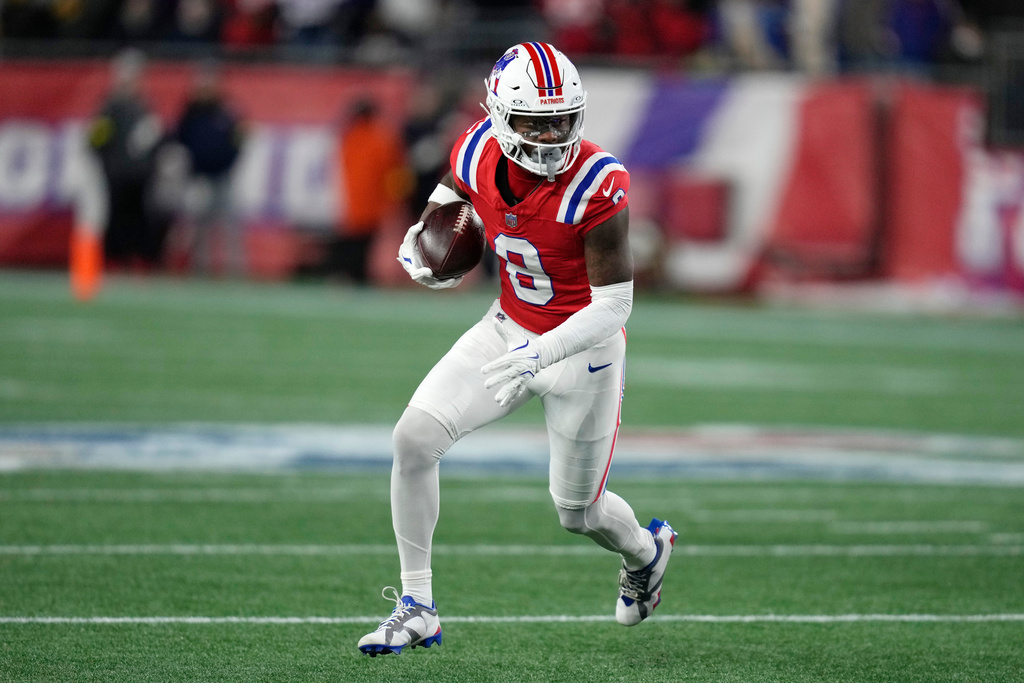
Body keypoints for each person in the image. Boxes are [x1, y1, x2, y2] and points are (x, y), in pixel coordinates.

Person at [357, 42, 677, 656]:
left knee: (577, 514)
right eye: (538, 121)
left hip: (585, 351)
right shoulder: (475, 147)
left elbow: (615, 304)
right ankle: (417, 605)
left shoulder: (599, 181)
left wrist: (542, 353)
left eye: (564, 118)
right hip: (507, 327)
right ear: (502, 118)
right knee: (413, 439)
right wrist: (427, 237)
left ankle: (647, 550)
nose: (555, 133)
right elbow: (455, 191)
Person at [87, 48, 166, 270]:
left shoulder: (144, 106)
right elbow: (95, 141)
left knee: (140, 217)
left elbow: (158, 138)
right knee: (116, 217)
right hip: (117, 173)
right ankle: (117, 259)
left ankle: (139, 259)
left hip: (140, 174)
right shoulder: (109, 107)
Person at [174, 61, 246, 277]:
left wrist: (228, 163)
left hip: (223, 176)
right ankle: (200, 269)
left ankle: (236, 271)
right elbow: (180, 142)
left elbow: (238, 142)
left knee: (231, 225)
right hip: (199, 177)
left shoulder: (226, 112)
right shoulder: (189, 113)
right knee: (199, 227)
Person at [327, 99, 409, 284]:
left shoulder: (349, 138)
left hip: (350, 202)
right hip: (373, 203)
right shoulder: (382, 139)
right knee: (362, 244)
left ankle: (345, 275)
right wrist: (396, 199)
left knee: (352, 241)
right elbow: (394, 173)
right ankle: (356, 276)